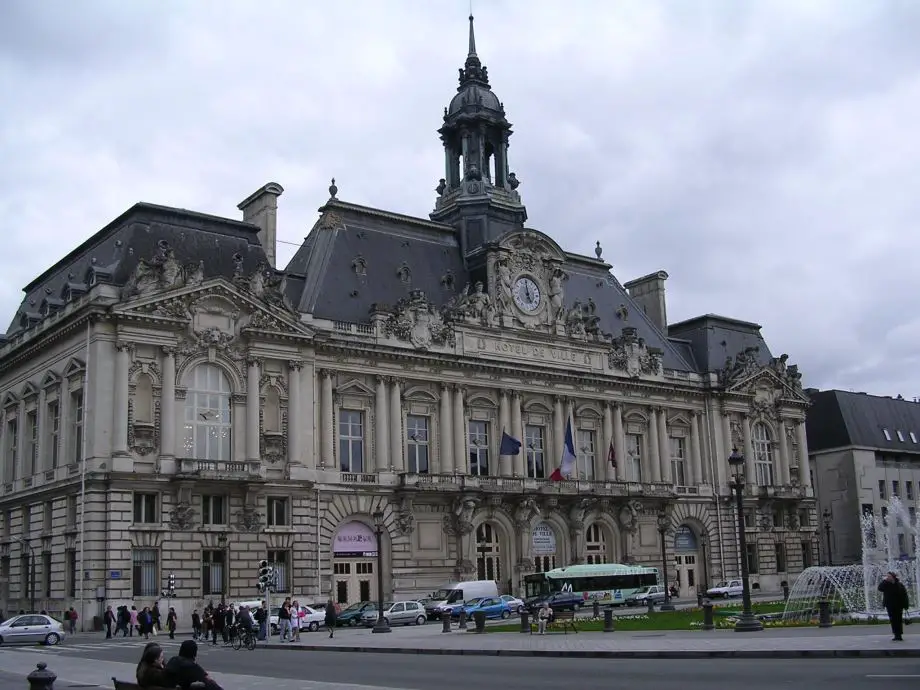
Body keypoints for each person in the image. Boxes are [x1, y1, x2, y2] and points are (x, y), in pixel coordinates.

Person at [879, 571, 910, 641]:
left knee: (898, 620)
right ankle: (896, 634)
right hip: (889, 605)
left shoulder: (899, 584)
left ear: (893, 577)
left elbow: (904, 595)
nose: (887, 577)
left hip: (899, 605)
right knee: (893, 620)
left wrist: (906, 605)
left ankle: (899, 635)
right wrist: (884, 581)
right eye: (887, 576)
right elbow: (880, 588)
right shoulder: (886, 584)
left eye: (889, 576)